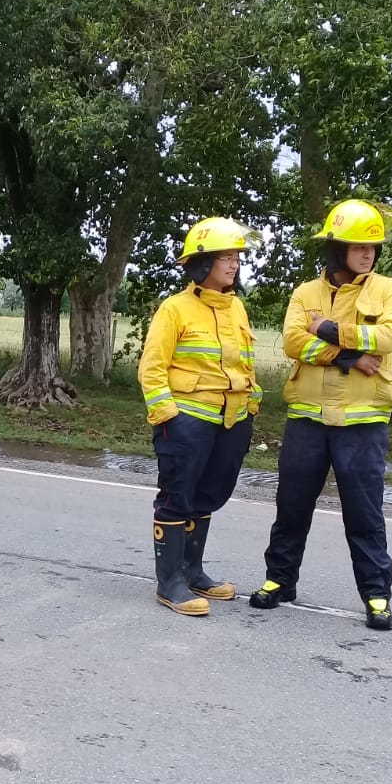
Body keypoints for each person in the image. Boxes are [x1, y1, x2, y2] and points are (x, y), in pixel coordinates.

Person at [249, 198, 392, 630]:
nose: (367, 253)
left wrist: (327, 328)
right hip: (308, 419)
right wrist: (349, 357)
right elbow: (293, 343)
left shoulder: (388, 290)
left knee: (364, 513)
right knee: (292, 505)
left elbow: (387, 337)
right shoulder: (306, 293)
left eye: (372, 246)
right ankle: (279, 581)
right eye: (357, 246)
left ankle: (376, 595)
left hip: (363, 422)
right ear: (336, 249)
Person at [138, 217, 263, 617]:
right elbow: (152, 367)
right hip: (187, 420)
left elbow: (245, 362)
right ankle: (169, 582)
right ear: (201, 263)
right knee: (178, 497)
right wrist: (166, 416)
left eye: (237, 257)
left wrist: (251, 406)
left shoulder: (236, 308)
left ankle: (193, 572)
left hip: (232, 420)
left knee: (210, 494)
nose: (234, 264)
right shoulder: (175, 309)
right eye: (225, 257)